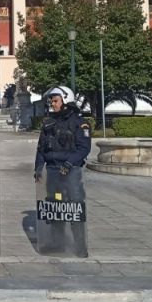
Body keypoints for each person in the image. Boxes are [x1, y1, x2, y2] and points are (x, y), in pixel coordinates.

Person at [33, 86, 91, 256]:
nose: (52, 103)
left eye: (55, 100)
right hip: (52, 172)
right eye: (51, 100)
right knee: (55, 208)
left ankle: (80, 246)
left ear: (66, 100)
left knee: (74, 208)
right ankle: (57, 243)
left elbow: (84, 149)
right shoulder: (48, 123)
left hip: (71, 172)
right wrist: (38, 166)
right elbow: (41, 148)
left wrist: (69, 163)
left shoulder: (80, 123)